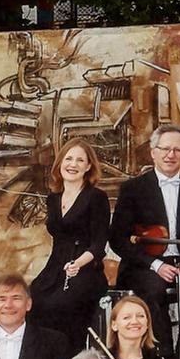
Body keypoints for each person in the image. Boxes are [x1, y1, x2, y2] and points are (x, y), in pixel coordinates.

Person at [110, 125, 180, 359]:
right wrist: (155, 265)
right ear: (153, 152)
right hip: (145, 264)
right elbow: (117, 239)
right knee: (153, 289)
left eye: (178, 150)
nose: (171, 155)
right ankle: (164, 357)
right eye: (165, 148)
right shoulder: (132, 189)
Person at [29, 139, 111, 335]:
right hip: (55, 267)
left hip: (85, 269)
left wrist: (77, 264)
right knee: (35, 299)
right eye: (69, 159)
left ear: (88, 166)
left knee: (61, 305)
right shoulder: (53, 199)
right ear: (60, 164)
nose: (73, 165)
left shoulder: (97, 197)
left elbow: (99, 244)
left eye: (80, 160)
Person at [102, 294, 169, 359]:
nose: (134, 321)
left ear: (147, 324)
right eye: (126, 317)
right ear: (114, 325)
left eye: (140, 316)